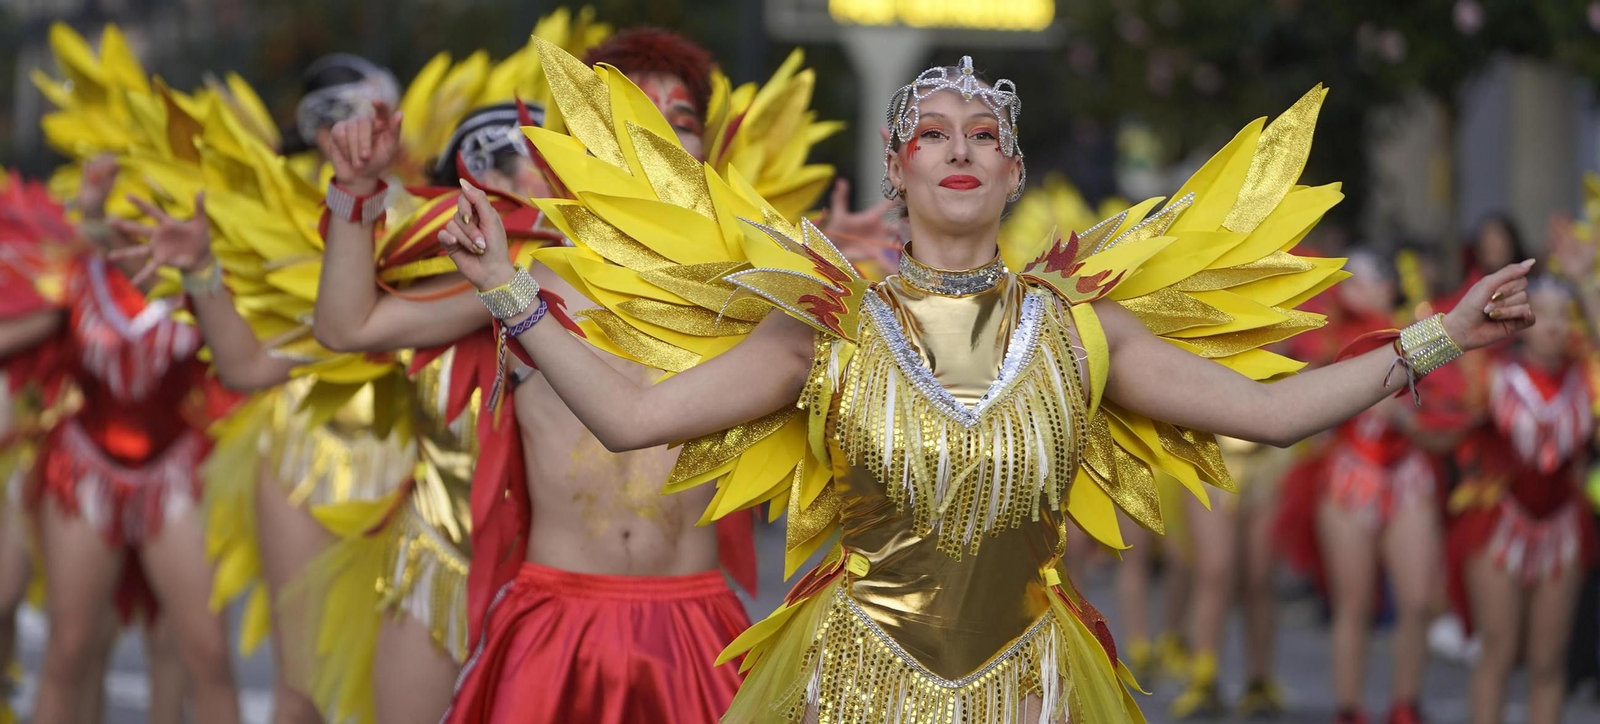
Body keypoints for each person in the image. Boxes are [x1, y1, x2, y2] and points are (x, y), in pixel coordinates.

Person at [438, 47, 1535, 722]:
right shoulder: (821, 329)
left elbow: (1272, 414)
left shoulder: (1081, 329)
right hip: (854, 689)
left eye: (983, 135)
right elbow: (630, 416)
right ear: (897, 167)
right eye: (932, 134)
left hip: (1030, 689)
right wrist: (504, 288)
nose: (958, 148)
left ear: (1012, 172)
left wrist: (1443, 335)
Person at [313, 28, 764, 724]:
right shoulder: (520, 279)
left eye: (679, 122)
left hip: (697, 628)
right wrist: (354, 191)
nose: (659, 138)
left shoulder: (748, 295)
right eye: (633, 117)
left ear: (706, 148)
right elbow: (348, 327)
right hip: (555, 623)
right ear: (583, 140)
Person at [0, 158, 240, 724]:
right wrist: (83, 226)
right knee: (70, 649)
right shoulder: (73, 274)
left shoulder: (201, 277)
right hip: (84, 469)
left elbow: (242, 360)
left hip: (176, 471)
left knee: (207, 653)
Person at [1445, 279, 1595, 724]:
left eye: (1564, 314)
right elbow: (1446, 428)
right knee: (1499, 650)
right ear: (1522, 318)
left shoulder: (1589, 377)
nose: (1554, 324)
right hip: (1498, 521)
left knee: (1549, 660)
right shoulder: (1489, 375)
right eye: (1543, 312)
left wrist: (1585, 281)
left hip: (1563, 526)